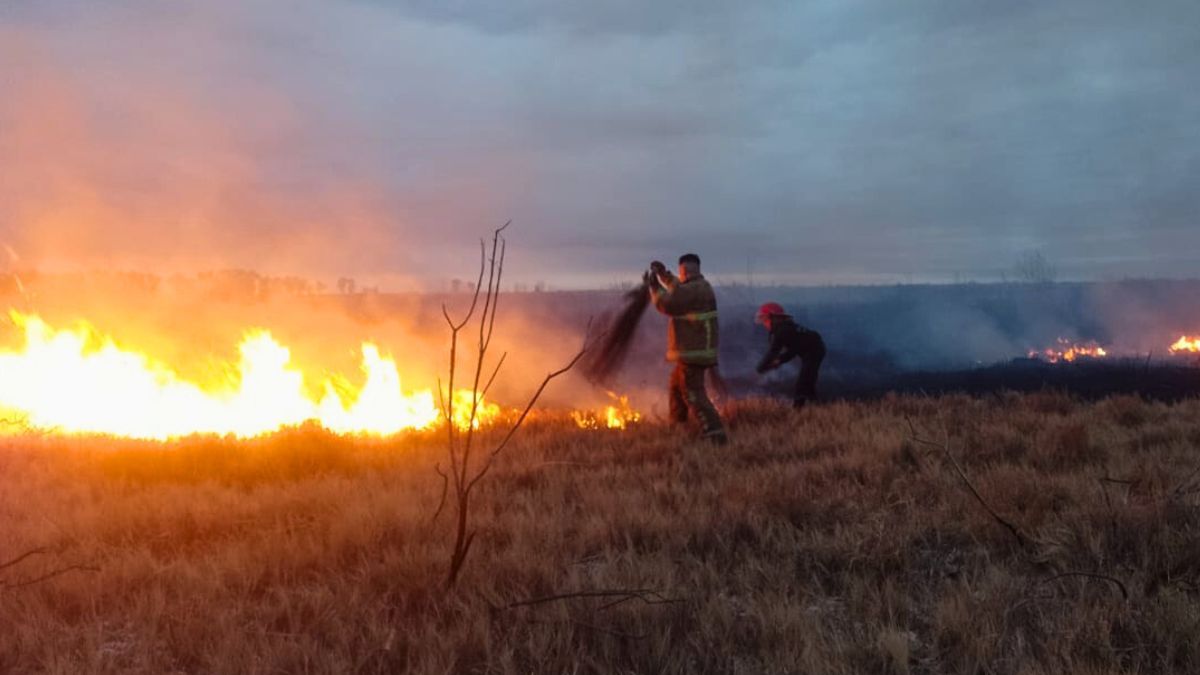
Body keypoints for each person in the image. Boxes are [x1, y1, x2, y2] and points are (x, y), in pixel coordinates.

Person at [648, 254, 728, 444]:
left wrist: (654, 287)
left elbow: (668, 304)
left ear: (684, 270)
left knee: (693, 394)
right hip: (695, 352)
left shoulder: (694, 290)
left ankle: (715, 436)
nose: (680, 275)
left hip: (693, 353)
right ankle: (678, 426)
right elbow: (679, 290)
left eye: (680, 272)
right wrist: (663, 275)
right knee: (676, 386)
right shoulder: (699, 286)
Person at [754, 302, 826, 409]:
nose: (764, 324)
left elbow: (773, 352)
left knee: (803, 383)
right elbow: (794, 350)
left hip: (814, 351)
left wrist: (760, 368)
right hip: (813, 350)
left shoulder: (782, 331)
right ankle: (816, 407)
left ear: (773, 318)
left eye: (765, 320)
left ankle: (797, 410)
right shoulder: (786, 328)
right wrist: (780, 360)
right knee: (808, 382)